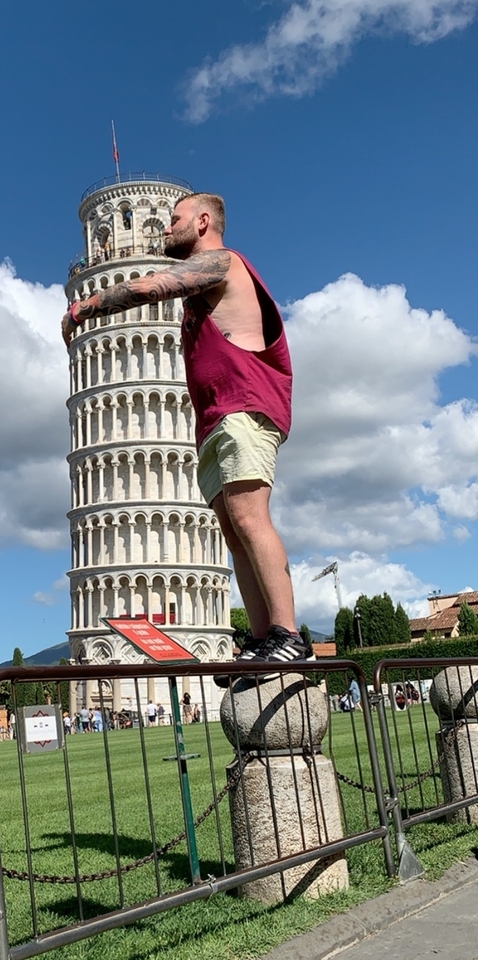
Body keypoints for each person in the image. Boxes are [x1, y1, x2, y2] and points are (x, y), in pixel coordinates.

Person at [62, 192, 312, 669]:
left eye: (173, 220)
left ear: (202, 222)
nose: (165, 229)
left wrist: (86, 306)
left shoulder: (221, 263)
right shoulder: (203, 291)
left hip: (243, 408)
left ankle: (287, 633)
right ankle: (263, 641)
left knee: (249, 518)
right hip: (217, 419)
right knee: (234, 533)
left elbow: (149, 288)